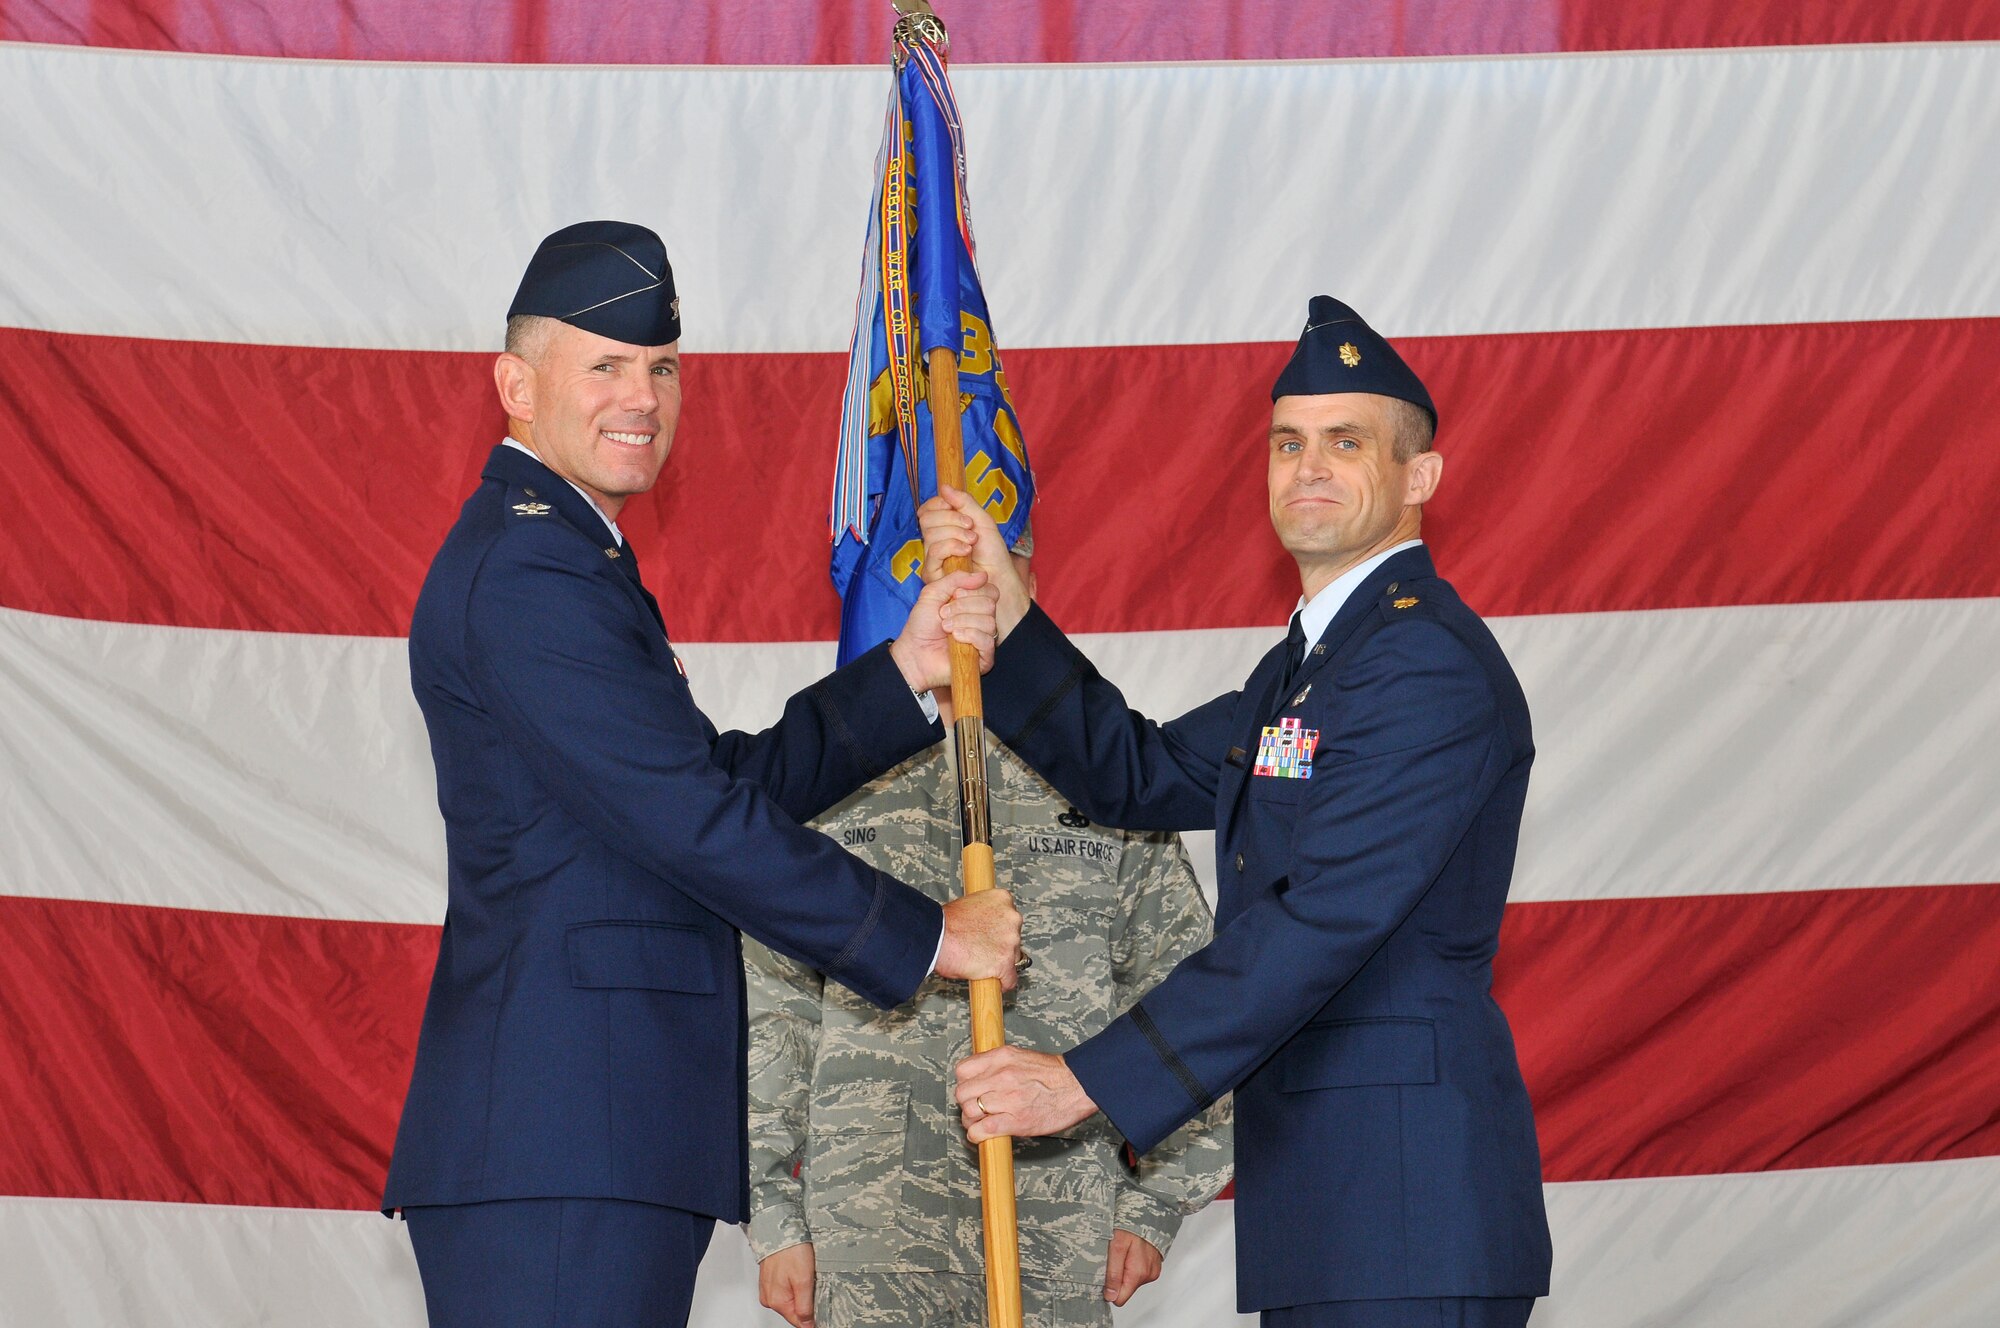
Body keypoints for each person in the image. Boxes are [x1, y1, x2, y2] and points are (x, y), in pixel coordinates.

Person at [381, 220, 1023, 1328]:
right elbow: (689, 817)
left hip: (600, 1137)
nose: (643, 396)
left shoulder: (570, 555)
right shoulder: (531, 567)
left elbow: (700, 785)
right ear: (514, 385)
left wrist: (901, 674)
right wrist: (929, 936)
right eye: (606, 365)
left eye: (662, 367)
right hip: (563, 1145)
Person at [928, 297, 1554, 1327]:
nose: (1306, 465)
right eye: (1286, 442)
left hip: (1403, 1205)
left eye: (1345, 442)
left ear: (1419, 477)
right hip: (1335, 1205)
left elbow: (1318, 920)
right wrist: (1011, 610)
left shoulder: (1419, 664)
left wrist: (1083, 1080)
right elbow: (1133, 771)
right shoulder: (1311, 668)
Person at [744, 532, 1233, 1328]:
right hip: (870, 1233)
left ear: (1025, 589)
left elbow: (1190, 989)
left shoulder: (1105, 778)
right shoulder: (831, 773)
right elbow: (769, 1010)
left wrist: (1156, 1202)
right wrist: (772, 1214)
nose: (964, 597)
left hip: (1061, 1218)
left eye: (990, 575)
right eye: (937, 575)